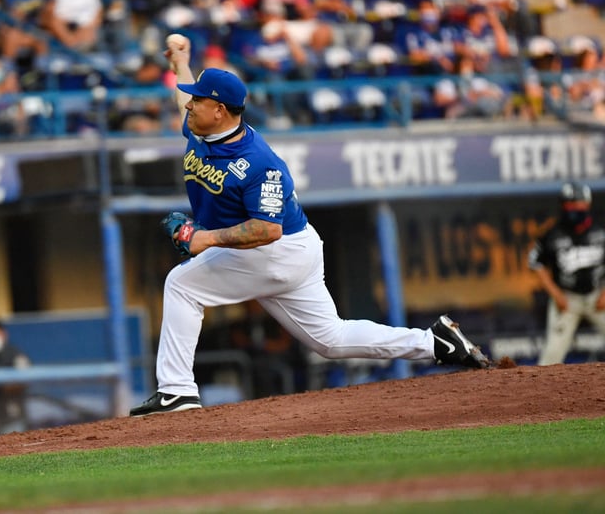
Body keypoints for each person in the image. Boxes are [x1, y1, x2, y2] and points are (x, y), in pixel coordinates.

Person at [129, 34, 492, 417]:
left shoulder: (258, 161)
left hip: (275, 250)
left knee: (182, 284)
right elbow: (185, 101)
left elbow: (267, 229)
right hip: (284, 253)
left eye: (198, 101)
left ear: (219, 110)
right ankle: (435, 343)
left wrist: (204, 239)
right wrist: (181, 64)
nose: (188, 106)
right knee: (330, 340)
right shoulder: (202, 128)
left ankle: (177, 391)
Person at [528, 182, 605, 366]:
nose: (572, 207)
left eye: (576, 202)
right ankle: (538, 393)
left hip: (598, 296)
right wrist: (556, 294)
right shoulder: (552, 233)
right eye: (567, 203)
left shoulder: (600, 230)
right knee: (551, 357)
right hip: (567, 299)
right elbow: (535, 262)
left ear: (586, 204)